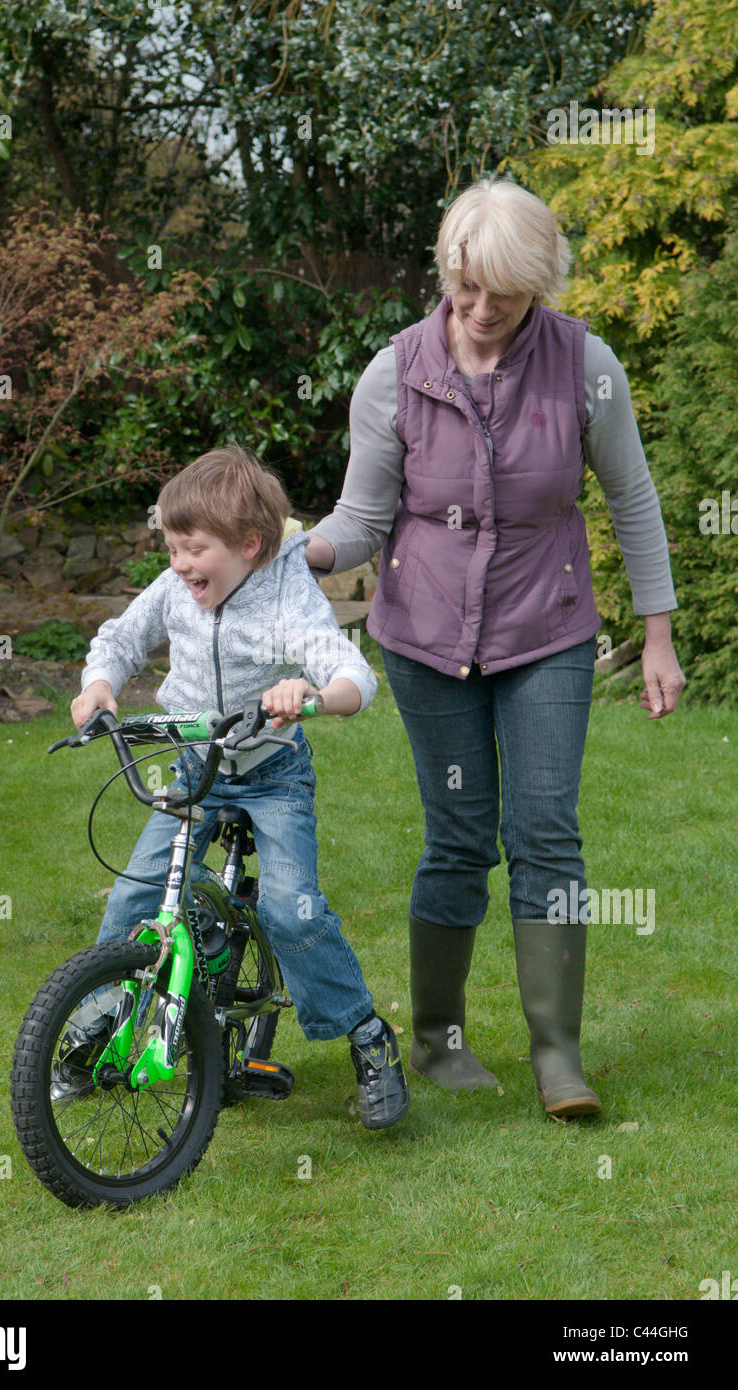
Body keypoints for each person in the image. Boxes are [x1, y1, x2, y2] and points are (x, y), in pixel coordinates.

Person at [305, 178, 686, 1118]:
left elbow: (631, 501)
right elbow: (362, 517)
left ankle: (557, 1055)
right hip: (425, 639)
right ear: (448, 271)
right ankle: (435, 1041)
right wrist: (291, 551)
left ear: (538, 288)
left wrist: (657, 633)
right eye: (465, 288)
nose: (479, 313)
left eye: (503, 297)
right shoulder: (393, 375)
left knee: (546, 832)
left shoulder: (584, 366)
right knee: (459, 838)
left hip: (544, 632)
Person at [69, 444, 409, 1130]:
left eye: (193, 548)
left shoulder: (288, 595)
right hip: (195, 766)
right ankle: (99, 1016)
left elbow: (354, 677)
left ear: (249, 545)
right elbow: (120, 637)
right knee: (137, 891)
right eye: (171, 547)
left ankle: (367, 1037)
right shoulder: (174, 591)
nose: (178, 564)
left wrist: (310, 695)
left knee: (293, 912)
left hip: (271, 773)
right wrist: (98, 685)